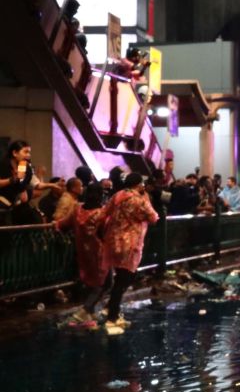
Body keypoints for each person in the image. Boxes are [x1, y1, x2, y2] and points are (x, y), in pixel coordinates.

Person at [100, 173, 159, 335]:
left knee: (120, 277)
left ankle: (113, 310)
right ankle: (111, 315)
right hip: (130, 243)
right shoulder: (139, 201)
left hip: (113, 240)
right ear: (139, 185)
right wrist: (146, 198)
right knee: (125, 278)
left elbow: (105, 211)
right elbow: (154, 217)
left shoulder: (118, 195)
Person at [57, 184, 111, 329]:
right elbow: (107, 233)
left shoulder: (77, 209)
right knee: (105, 283)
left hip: (82, 252)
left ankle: (90, 313)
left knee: (90, 282)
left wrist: (54, 224)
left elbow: (62, 225)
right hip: (100, 253)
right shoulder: (103, 214)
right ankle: (84, 311)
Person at [0, 140, 59, 225]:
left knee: (35, 218)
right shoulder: (3, 165)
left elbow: (37, 184)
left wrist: (52, 185)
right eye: (25, 152)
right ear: (15, 153)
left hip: (17, 206)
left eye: (29, 152)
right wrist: (12, 179)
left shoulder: (24, 166)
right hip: (3, 203)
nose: (28, 155)